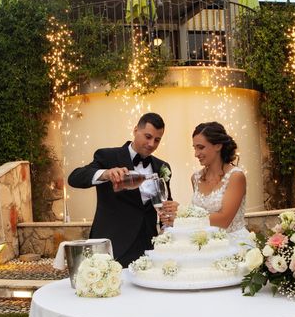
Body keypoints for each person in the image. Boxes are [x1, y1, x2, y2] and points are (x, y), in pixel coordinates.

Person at [68, 113, 178, 267]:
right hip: (114, 246)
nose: (152, 143)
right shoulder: (108, 156)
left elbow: (165, 202)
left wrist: (168, 221)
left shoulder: (162, 166)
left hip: (149, 247)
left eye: (157, 140)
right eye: (148, 136)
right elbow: (74, 178)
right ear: (135, 131)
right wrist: (106, 174)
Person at [191, 121, 250, 244]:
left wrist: (183, 217)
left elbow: (224, 220)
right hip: (205, 243)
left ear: (218, 146)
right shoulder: (195, 178)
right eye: (195, 148)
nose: (196, 154)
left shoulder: (235, 177)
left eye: (201, 147)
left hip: (233, 244)